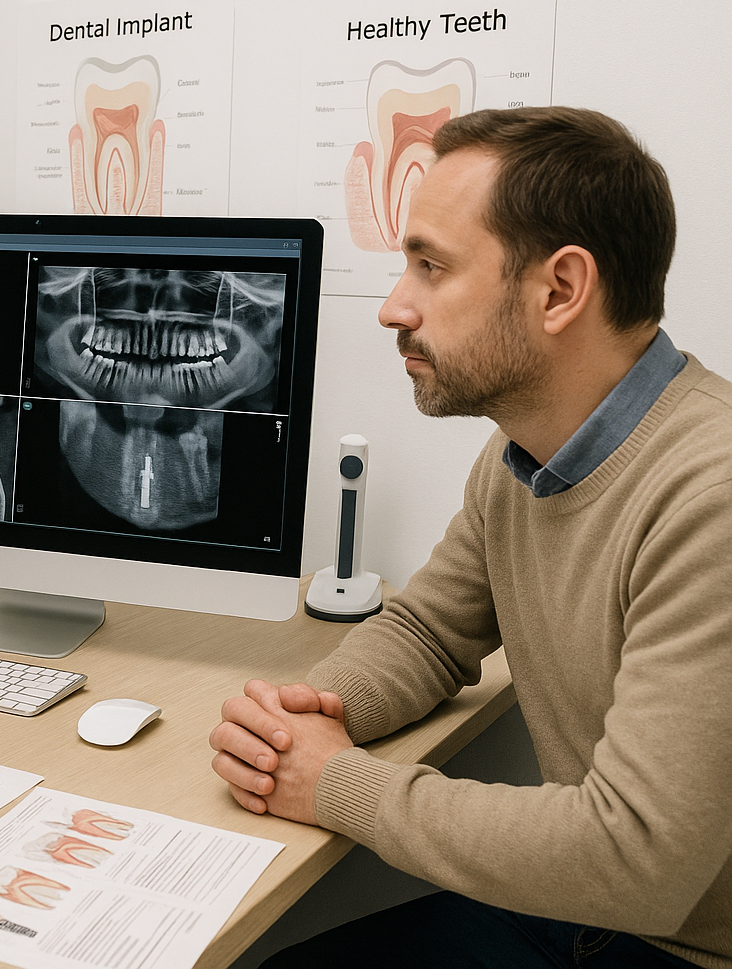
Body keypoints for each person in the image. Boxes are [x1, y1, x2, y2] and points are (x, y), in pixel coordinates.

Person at [210, 107, 731, 968]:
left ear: (560, 290)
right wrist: (294, 723)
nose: (391, 307)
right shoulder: (524, 452)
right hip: (580, 914)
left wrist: (334, 781)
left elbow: (639, 857)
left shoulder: (709, 496)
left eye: (430, 267)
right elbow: (429, 631)